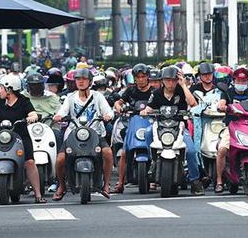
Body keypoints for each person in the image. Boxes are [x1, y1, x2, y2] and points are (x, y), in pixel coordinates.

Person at [0, 74, 47, 205]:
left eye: (1, 88)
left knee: (30, 162)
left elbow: (32, 113)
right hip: (1, 136)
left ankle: (38, 194)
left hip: (20, 136)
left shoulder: (23, 101)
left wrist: (32, 117)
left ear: (9, 89)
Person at [141, 65, 204, 195]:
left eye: (173, 80)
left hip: (179, 126)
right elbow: (149, 108)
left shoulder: (181, 91)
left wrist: (184, 85)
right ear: (162, 80)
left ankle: (195, 181)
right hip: (160, 127)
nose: (170, 83)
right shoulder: (156, 93)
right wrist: (145, 111)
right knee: (147, 132)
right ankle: (153, 160)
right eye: (167, 80)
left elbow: (193, 104)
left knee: (191, 151)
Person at [52, 68, 114, 200]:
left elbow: (108, 111)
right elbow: (62, 111)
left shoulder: (98, 96)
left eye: (84, 79)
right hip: (74, 133)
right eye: (78, 79)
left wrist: (108, 115)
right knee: (60, 159)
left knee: (108, 153)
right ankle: (62, 186)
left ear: (90, 82)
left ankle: (107, 185)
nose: (81, 82)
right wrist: (58, 116)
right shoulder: (70, 97)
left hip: (95, 133)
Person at [111, 63, 155, 193]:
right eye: (138, 77)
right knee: (124, 152)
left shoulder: (154, 91)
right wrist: (118, 106)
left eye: (143, 76)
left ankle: (156, 176)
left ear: (148, 77)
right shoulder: (130, 90)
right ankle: (120, 182)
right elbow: (119, 101)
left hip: (151, 123)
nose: (140, 79)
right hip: (134, 123)